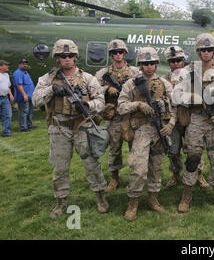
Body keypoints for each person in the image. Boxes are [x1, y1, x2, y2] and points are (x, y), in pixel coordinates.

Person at [32, 39, 109, 219]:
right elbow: (35, 101)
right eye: (62, 56)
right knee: (60, 167)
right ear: (57, 58)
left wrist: (87, 105)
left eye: (70, 56)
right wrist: (52, 90)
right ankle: (61, 201)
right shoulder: (47, 79)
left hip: (82, 126)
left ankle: (100, 196)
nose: (67, 59)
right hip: (60, 128)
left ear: (75, 57)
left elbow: (101, 101)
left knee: (91, 164)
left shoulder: (87, 78)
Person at [172, 33, 214, 213]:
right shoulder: (186, 72)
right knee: (192, 159)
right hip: (196, 120)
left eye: (209, 49)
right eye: (203, 50)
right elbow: (175, 95)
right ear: (198, 51)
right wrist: (194, 98)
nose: (206, 53)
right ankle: (187, 193)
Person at [117, 47, 176, 221]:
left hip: (160, 132)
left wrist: (171, 124)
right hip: (141, 130)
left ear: (156, 64)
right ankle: (133, 202)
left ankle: (152, 198)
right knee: (139, 168)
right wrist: (138, 105)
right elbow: (121, 106)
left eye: (152, 63)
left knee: (156, 168)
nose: (149, 66)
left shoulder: (165, 84)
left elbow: (175, 107)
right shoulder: (131, 84)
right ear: (140, 65)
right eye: (145, 63)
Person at [95, 39, 140, 193]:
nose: (118, 55)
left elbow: (143, 88)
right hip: (114, 116)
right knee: (114, 148)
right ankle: (114, 178)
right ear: (111, 55)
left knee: (135, 148)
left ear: (125, 53)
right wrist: (107, 89)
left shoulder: (135, 72)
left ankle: (136, 176)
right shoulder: (103, 73)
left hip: (131, 116)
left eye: (120, 52)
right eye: (115, 53)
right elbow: (94, 91)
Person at [162, 45, 210, 190]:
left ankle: (199, 174)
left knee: (194, 148)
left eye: (178, 60)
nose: (175, 63)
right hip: (173, 120)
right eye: (172, 61)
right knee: (173, 150)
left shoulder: (192, 76)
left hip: (191, 118)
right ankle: (176, 174)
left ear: (183, 60)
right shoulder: (164, 80)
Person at [12, 59, 35, 132]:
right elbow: (19, 85)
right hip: (23, 96)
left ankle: (29, 125)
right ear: (19, 65)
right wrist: (24, 95)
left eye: (26, 63)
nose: (25, 65)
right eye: (23, 64)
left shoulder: (25, 72)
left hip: (30, 96)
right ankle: (23, 127)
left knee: (30, 111)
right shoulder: (18, 73)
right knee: (24, 112)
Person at [0, 60, 14, 137]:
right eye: (6, 65)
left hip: (5, 98)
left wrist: (11, 94)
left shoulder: (6, 75)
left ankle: (6, 132)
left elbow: (8, 86)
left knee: (8, 115)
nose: (8, 66)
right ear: (0, 66)